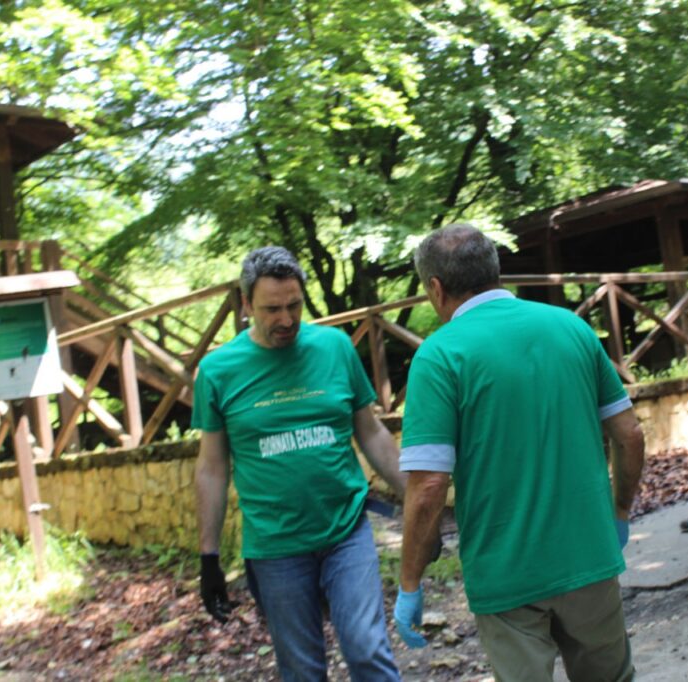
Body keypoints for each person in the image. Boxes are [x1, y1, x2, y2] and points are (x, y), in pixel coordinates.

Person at [394, 224, 646, 681]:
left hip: (506, 574)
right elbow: (629, 435)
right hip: (589, 556)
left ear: (436, 287)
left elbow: (429, 484)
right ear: (495, 271)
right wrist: (620, 512)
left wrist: (410, 583)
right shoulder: (571, 328)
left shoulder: (439, 355)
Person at [193, 246, 404, 681]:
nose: (286, 319)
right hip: (276, 546)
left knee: (367, 651)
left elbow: (372, 434)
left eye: (294, 305)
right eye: (272, 309)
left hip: (346, 531)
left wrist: (419, 502)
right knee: (303, 671)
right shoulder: (217, 371)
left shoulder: (334, 347)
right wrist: (208, 556)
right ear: (246, 304)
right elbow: (212, 468)